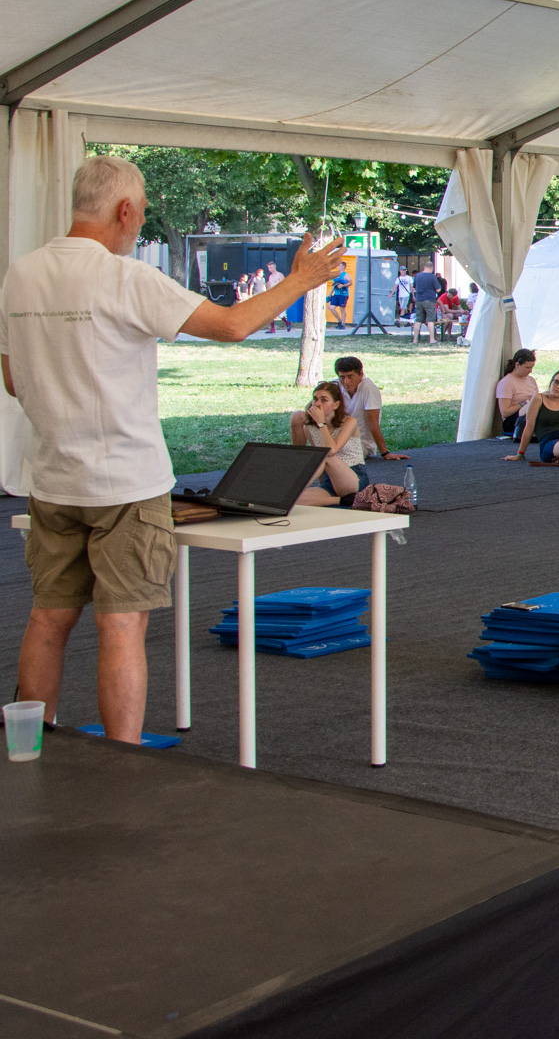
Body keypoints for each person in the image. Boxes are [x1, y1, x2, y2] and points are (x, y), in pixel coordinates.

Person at [3, 155, 342, 743]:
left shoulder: (21, 274)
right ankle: (121, 766)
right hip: (126, 485)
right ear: (124, 210)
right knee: (121, 625)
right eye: (141, 213)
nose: (141, 224)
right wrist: (300, 281)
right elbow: (232, 326)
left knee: (48, 617)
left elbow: (13, 379)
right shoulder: (128, 278)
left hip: (52, 480)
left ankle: (28, 747)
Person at [291, 381, 367, 506]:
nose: (317, 404)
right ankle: (342, 500)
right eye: (315, 399)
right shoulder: (309, 428)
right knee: (292, 500)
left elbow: (331, 450)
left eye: (324, 400)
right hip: (329, 481)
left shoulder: (349, 422)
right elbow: (319, 463)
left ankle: (295, 486)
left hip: (352, 476)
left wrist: (321, 423)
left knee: (326, 454)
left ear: (336, 405)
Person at [334, 357, 408, 462]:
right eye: (342, 377)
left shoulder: (369, 388)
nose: (346, 382)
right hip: (337, 439)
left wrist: (385, 453)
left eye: (350, 376)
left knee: (334, 457)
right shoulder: (335, 386)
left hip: (360, 442)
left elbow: (372, 422)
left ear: (360, 374)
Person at [496, 348, 539, 438]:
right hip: (514, 420)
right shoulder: (506, 383)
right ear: (517, 365)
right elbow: (505, 412)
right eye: (527, 368)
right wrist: (525, 402)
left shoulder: (531, 380)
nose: (530, 371)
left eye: (532, 367)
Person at [411, 266, 442, 344]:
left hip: (419, 300)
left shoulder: (417, 276)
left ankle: (415, 340)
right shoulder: (432, 276)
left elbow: (414, 287)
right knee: (430, 320)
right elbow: (438, 289)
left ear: (424, 267)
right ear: (431, 268)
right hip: (429, 299)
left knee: (418, 320)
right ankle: (432, 339)